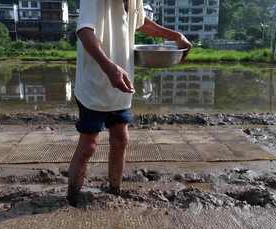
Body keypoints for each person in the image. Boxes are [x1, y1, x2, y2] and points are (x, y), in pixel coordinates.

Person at [67, 0, 192, 206]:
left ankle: (114, 190)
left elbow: (139, 22)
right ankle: (72, 197)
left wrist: (175, 36)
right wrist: (109, 68)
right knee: (89, 145)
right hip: (95, 83)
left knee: (120, 139)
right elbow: (84, 31)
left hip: (122, 82)